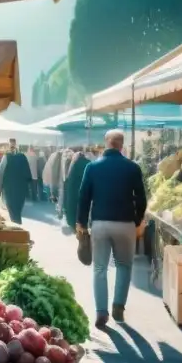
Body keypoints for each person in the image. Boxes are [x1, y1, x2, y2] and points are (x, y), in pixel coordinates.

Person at [76, 131, 146, 328]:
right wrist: (137, 219)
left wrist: (80, 222)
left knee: (99, 268)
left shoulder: (92, 167)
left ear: (106, 144)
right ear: (121, 145)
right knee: (124, 266)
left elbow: (84, 197)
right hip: (125, 224)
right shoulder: (133, 168)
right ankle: (118, 307)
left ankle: (101, 311)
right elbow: (141, 198)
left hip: (100, 224)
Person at [0, 139, 32, 224]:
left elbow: (0, 174)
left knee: (12, 210)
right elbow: (28, 175)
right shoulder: (23, 157)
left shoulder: (6, 157)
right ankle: (17, 226)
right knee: (17, 210)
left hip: (9, 189)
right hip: (21, 189)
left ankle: (16, 228)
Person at [63, 146, 93, 230]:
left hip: (74, 190)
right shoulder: (89, 163)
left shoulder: (74, 164)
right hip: (85, 190)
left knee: (73, 205)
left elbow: (69, 179)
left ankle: (73, 223)